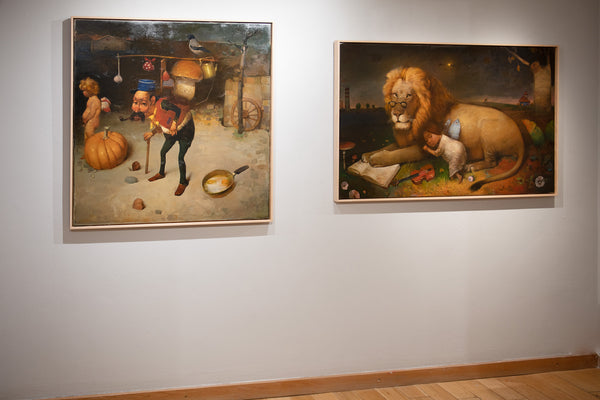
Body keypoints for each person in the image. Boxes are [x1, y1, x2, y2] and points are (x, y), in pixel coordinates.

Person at [141, 77, 195, 196]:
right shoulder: (154, 113)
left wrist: (174, 124)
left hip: (185, 131)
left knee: (180, 157)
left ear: (152, 101)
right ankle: (161, 173)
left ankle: (183, 182)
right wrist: (152, 133)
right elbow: (162, 125)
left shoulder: (163, 104)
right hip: (172, 132)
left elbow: (177, 110)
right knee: (163, 152)